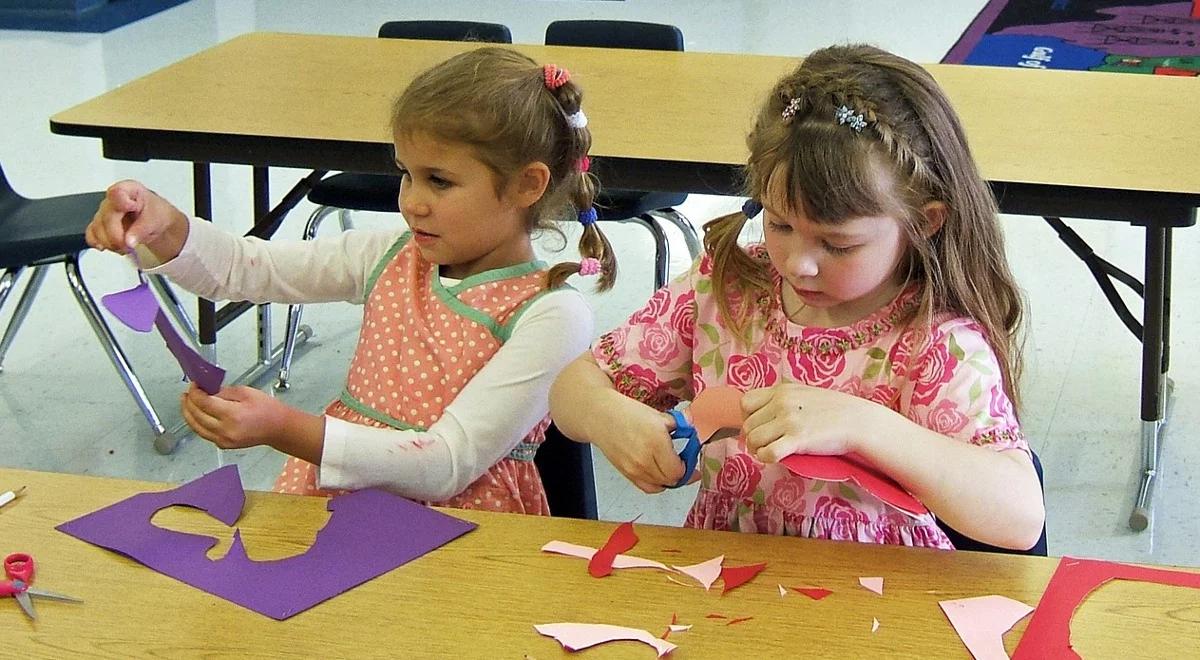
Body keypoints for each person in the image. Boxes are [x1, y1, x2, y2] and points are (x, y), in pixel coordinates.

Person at [550, 44, 1045, 549]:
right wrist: (610, 418)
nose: (798, 263)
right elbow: (571, 390)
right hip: (727, 593)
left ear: (924, 221)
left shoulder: (934, 340)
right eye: (781, 223)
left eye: (837, 243)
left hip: (879, 606)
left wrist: (864, 426)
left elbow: (1020, 516)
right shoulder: (727, 288)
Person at [86, 47, 616, 514]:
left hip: (463, 532)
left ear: (527, 185)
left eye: (439, 180)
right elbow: (244, 269)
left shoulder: (551, 314)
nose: (411, 200)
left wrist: (282, 428)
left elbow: (445, 465)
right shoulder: (389, 255)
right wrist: (163, 221)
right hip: (335, 509)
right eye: (406, 173)